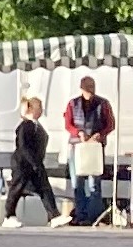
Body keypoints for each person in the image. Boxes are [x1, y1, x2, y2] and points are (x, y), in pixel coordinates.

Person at [65, 71, 116, 227]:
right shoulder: (72, 104)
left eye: (92, 86)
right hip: (77, 147)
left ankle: (93, 216)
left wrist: (100, 134)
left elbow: (110, 124)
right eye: (87, 87)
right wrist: (78, 133)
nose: (90, 90)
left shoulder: (103, 104)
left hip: (95, 148)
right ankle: (81, 215)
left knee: (95, 183)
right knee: (77, 183)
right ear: (81, 88)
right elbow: (68, 124)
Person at [8, 92, 56, 224]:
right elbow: (23, 147)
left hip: (35, 164)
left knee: (44, 189)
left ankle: (54, 215)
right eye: (38, 108)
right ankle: (9, 216)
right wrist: (33, 162)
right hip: (23, 164)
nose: (41, 110)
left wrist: (37, 163)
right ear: (31, 109)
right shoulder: (25, 125)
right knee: (17, 189)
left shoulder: (36, 125)